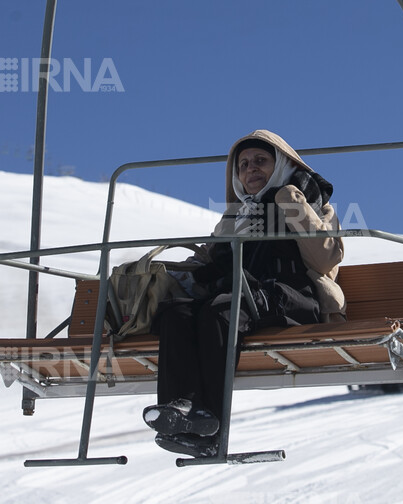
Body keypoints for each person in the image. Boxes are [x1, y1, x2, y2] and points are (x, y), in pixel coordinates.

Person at [143, 129, 346, 457]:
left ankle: (211, 427)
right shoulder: (236, 217)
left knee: (222, 310)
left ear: (281, 164)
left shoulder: (311, 203)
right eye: (244, 165)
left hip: (294, 298)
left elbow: (325, 260)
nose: (251, 170)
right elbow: (207, 260)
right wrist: (162, 276)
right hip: (245, 298)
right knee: (177, 313)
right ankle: (181, 410)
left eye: (261, 162)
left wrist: (290, 201)